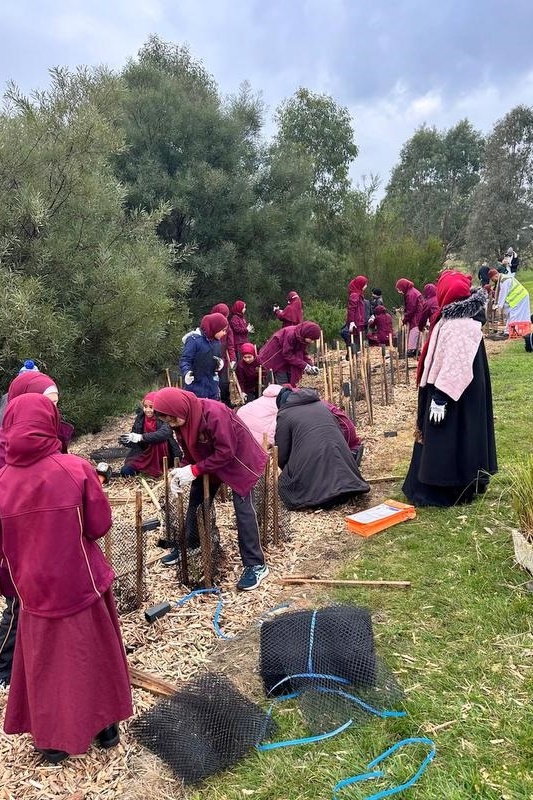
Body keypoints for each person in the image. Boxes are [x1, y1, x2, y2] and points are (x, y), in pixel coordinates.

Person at [0, 394, 132, 762]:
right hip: (80, 582)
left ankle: (53, 742)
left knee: (44, 665)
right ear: (50, 422)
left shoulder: (1, 481)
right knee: (92, 653)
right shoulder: (75, 468)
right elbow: (99, 525)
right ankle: (105, 728)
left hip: (33, 590)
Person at [152, 388, 269, 591]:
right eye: (167, 422)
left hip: (239, 461)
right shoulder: (182, 419)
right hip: (210, 462)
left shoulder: (214, 413)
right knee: (196, 502)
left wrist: (195, 469)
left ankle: (255, 564)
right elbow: (190, 450)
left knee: (243, 510)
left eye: (172, 420)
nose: (171, 425)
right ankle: (191, 545)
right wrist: (183, 471)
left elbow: (227, 451)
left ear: (179, 408)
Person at [402, 271, 497, 507]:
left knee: (449, 437)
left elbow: (456, 364)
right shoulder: (454, 318)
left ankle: (447, 488)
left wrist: (441, 397)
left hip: (455, 393)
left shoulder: (460, 325)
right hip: (462, 392)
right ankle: (461, 481)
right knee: (462, 435)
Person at [274, 387, 370, 510]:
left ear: (282, 404)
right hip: (341, 459)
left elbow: (281, 451)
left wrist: (288, 468)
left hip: (311, 463)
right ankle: (347, 482)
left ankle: (321, 494)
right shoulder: (322, 405)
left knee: (284, 484)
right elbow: (340, 431)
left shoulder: (285, 414)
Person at [237, 385, 363, 463]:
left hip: (243, 444)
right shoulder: (290, 410)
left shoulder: (258, 403)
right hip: (259, 445)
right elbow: (275, 435)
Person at [118, 392, 181, 477]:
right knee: (125, 471)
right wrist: (127, 440)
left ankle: (156, 470)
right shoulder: (141, 418)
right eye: (145, 407)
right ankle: (142, 469)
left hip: (160, 455)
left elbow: (165, 433)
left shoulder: (163, 417)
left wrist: (141, 437)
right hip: (144, 452)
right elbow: (135, 438)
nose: (148, 410)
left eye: (151, 407)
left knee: (159, 441)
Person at [180, 312, 227, 400]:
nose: (224, 333)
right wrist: (186, 372)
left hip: (212, 387)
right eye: (223, 330)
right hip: (195, 387)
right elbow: (185, 360)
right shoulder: (194, 340)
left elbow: (219, 357)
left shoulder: (216, 342)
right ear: (215, 328)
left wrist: (221, 363)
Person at [210, 303, 237, 406]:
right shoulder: (209, 324)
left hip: (223, 357)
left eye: (225, 316)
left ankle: (225, 403)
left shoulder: (227, 326)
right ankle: (213, 402)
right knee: (211, 380)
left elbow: (230, 344)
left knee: (224, 382)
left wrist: (233, 358)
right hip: (210, 357)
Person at [489, 269, 531, 333]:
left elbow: (503, 295)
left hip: (520, 297)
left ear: (495, 276)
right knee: (514, 315)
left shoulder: (504, 281)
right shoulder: (504, 277)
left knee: (514, 315)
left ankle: (514, 331)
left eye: (492, 279)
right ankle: (509, 331)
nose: (493, 281)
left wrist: (498, 306)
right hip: (520, 296)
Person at [396, 278, 423, 356]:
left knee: (414, 331)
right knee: (416, 332)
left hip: (416, 316)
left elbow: (411, 309)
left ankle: (411, 350)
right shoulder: (412, 291)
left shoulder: (410, 294)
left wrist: (405, 320)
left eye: (399, 289)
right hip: (418, 315)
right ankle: (415, 349)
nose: (399, 291)